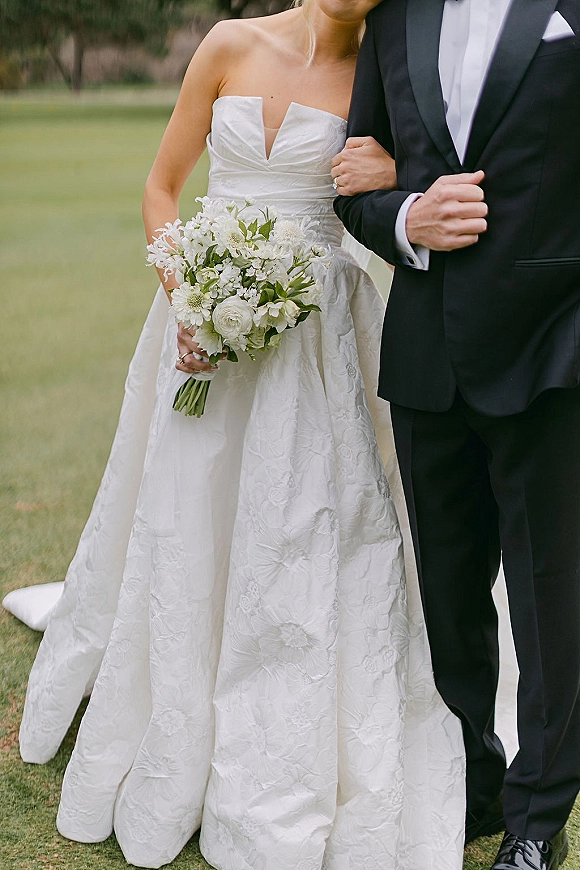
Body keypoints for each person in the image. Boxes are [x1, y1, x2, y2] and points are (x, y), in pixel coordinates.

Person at [16, 3, 467, 869]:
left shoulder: (388, 73)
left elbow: (429, 181)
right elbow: (161, 189)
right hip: (197, 329)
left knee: (302, 533)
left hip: (320, 343)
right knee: (185, 516)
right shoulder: (229, 41)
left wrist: (397, 164)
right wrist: (187, 296)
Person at [334, 1, 580, 869]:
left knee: (552, 599)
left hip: (556, 353)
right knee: (447, 594)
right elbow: (355, 184)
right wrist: (408, 221)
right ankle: (471, 780)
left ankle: (537, 821)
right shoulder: (392, 19)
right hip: (428, 358)